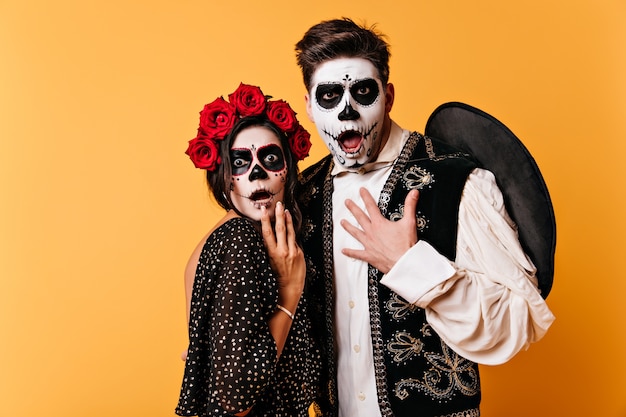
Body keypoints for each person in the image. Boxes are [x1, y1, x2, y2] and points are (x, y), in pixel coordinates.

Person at [263, 18, 556, 417]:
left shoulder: (458, 180)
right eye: (330, 96)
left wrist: (412, 266)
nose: (348, 113)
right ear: (310, 106)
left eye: (363, 92)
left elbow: (518, 320)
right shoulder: (301, 195)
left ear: (388, 97)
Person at [175, 83, 323, 417]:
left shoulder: (221, 236)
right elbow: (236, 398)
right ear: (225, 178)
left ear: (288, 171)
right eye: (240, 163)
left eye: (270, 159)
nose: (257, 174)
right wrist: (289, 292)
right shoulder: (240, 238)